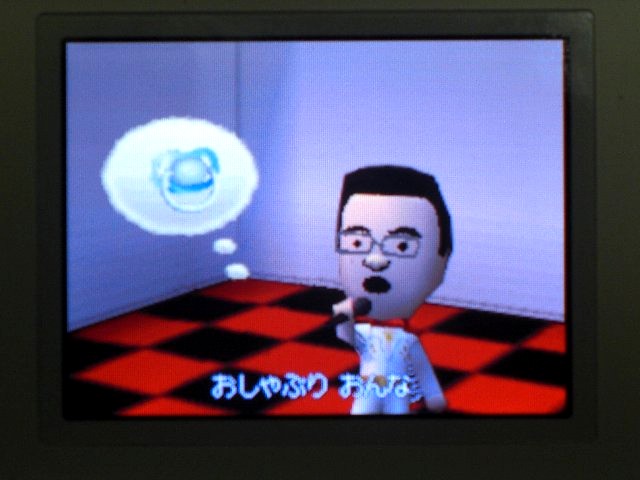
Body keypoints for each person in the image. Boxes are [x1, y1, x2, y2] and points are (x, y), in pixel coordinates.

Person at [333, 165, 452, 414]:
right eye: (357, 242)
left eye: (401, 246)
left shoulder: (408, 340)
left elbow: (423, 372)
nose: (375, 260)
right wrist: (345, 310)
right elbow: (344, 333)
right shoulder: (366, 333)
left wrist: (434, 398)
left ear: (443, 257)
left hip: (398, 394)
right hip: (367, 392)